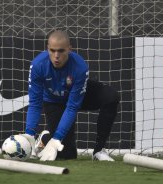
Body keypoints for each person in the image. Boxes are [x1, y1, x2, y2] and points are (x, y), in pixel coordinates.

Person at [22, 30, 119, 161]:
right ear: (47, 49)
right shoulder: (38, 65)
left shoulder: (80, 66)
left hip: (76, 96)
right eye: (52, 50)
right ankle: (45, 138)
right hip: (53, 101)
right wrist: (29, 133)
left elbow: (72, 107)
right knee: (66, 155)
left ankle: (98, 151)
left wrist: (58, 137)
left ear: (69, 49)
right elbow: (35, 103)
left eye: (61, 51)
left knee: (111, 96)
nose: (56, 55)